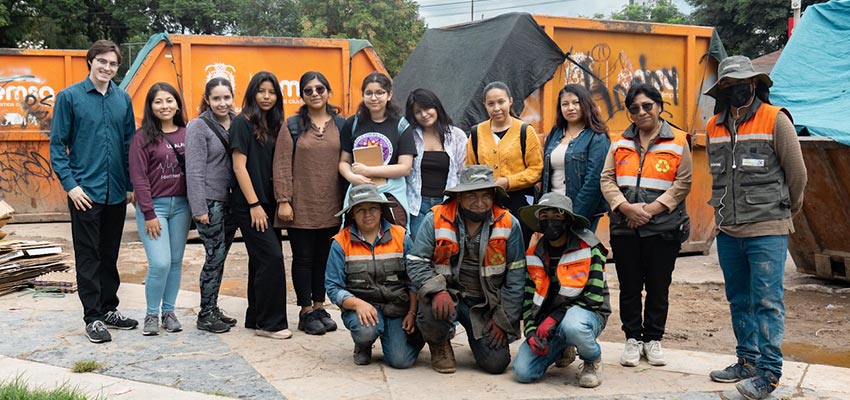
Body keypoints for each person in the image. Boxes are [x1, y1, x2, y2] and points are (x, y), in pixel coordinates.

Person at [703, 56, 807, 400]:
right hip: (728, 230)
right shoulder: (712, 127)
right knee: (739, 299)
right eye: (729, 86)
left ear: (755, 84)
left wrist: (784, 211)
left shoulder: (775, 119)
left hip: (767, 229)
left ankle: (769, 373)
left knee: (767, 301)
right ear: (723, 90)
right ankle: (747, 361)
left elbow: (797, 174)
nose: (737, 90)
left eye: (742, 84)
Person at [49, 40, 138, 343]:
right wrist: (71, 186)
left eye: (113, 64)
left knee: (109, 254)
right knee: (88, 256)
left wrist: (128, 186)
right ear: (90, 62)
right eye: (102, 61)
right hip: (85, 192)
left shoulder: (122, 100)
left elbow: (129, 145)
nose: (107, 68)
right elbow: (58, 146)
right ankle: (93, 317)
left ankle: (109, 308)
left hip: (115, 192)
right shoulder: (69, 98)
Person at [600, 83, 692, 368]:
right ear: (629, 113)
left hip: (662, 229)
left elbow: (683, 182)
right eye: (635, 109)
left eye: (647, 106)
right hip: (625, 228)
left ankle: (653, 339)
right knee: (628, 287)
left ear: (659, 107)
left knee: (657, 286)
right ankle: (632, 339)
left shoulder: (678, 141)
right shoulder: (619, 143)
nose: (642, 112)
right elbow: (607, 179)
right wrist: (625, 207)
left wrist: (650, 211)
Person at [407, 165, 526, 375]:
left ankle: (477, 337)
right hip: (447, 295)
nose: (479, 203)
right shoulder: (435, 218)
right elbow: (416, 261)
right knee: (429, 305)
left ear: (493, 197)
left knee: (496, 364)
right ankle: (439, 344)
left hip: (485, 303)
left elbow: (516, 278)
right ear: (459, 197)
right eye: (471, 195)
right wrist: (437, 290)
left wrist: (502, 320)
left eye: (485, 196)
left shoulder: (509, 224)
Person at [512, 192, 610, 388]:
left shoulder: (589, 248)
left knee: (572, 326)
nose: (550, 222)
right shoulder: (533, 255)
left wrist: (554, 317)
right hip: (549, 321)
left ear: (568, 220)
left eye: (557, 216)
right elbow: (529, 300)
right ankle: (563, 347)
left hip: (587, 314)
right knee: (523, 372)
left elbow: (594, 297)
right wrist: (531, 332)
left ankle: (592, 360)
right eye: (545, 217)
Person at [273, 71, 344, 336]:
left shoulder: (341, 124)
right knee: (303, 258)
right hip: (300, 204)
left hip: (332, 205)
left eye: (320, 89)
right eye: (309, 90)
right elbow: (281, 165)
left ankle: (319, 306)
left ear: (328, 92)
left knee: (324, 259)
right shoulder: (292, 125)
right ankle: (305, 311)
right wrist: (284, 200)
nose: (315, 94)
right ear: (302, 95)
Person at [325, 184, 423, 367]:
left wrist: (412, 312)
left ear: (381, 210)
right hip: (364, 310)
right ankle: (363, 344)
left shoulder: (401, 236)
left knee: (401, 361)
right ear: (352, 213)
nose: (367, 214)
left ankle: (410, 337)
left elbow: (413, 279)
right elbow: (332, 286)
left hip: (398, 308)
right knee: (365, 331)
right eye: (360, 210)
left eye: (372, 208)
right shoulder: (340, 242)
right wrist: (357, 304)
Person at [229, 71, 291, 339]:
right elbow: (239, 166)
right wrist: (253, 204)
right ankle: (271, 324)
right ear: (252, 92)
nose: (266, 96)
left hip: (269, 203)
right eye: (261, 91)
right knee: (273, 259)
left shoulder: (274, 124)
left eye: (272, 92)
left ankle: (255, 318)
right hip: (250, 204)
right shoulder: (242, 123)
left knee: (260, 261)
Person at [129, 82, 191, 336]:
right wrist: (149, 213)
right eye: (158, 101)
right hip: (154, 207)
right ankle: (151, 315)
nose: (164, 106)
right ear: (151, 106)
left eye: (169, 100)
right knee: (160, 262)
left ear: (177, 104)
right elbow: (139, 178)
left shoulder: (188, 133)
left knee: (175, 262)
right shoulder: (142, 137)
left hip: (182, 207)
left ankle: (169, 311)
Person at [185, 77, 239, 334]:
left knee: (221, 256)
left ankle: (213, 307)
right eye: (216, 98)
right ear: (207, 99)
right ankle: (205, 313)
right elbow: (194, 171)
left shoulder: (238, 122)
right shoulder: (198, 126)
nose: (222, 103)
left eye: (226, 97)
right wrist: (199, 209)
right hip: (210, 201)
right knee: (214, 257)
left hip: (231, 201)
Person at [466, 81, 543, 242]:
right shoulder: (477, 133)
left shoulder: (524, 131)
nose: (496, 108)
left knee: (517, 245)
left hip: (520, 201)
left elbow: (536, 169)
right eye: (491, 104)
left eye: (501, 102)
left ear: (510, 101)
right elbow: (470, 169)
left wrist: (508, 181)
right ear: (485, 106)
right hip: (486, 201)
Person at [339, 72, 416, 228]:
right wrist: (351, 177)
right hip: (359, 191)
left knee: (396, 237)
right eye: (369, 93)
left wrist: (368, 170)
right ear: (363, 95)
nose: (374, 98)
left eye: (379, 93)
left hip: (391, 192)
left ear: (389, 95)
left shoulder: (401, 125)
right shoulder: (352, 123)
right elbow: (344, 161)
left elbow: (405, 167)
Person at [540, 84, 610, 231]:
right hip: (553, 208)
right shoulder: (556, 132)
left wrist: (575, 215)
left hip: (582, 211)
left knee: (578, 252)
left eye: (576, 102)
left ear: (585, 104)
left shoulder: (597, 136)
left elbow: (594, 181)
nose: (570, 108)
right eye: (565, 104)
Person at [404, 88, 467, 239]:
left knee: (446, 250)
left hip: (447, 203)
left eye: (427, 108)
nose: (424, 115)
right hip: (417, 206)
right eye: (418, 112)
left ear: (436, 106)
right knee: (418, 253)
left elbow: (463, 172)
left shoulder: (456, 136)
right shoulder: (410, 136)